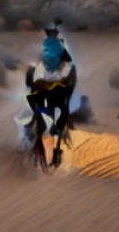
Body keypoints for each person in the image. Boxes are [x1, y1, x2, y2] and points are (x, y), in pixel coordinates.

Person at [24, 19, 78, 167]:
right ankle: (57, 150)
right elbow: (69, 61)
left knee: (36, 108)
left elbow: (37, 67)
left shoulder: (44, 48)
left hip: (42, 85)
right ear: (56, 33)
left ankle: (34, 138)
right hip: (58, 85)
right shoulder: (60, 46)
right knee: (64, 107)